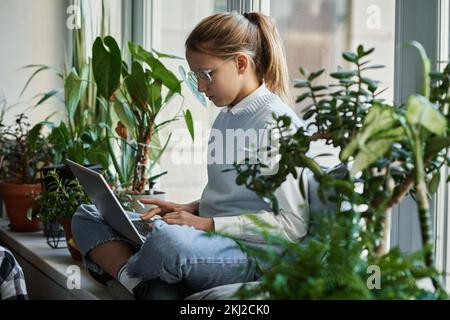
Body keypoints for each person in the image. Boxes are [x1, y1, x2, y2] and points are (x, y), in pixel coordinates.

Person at [72, 11, 309, 299]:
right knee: (87, 215)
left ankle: (129, 270)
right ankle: (141, 284)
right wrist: (190, 209)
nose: (200, 86)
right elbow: (237, 195)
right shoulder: (226, 116)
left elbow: (293, 225)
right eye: (195, 75)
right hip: (209, 238)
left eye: (206, 74)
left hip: (250, 255)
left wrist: (207, 224)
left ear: (241, 63)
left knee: (166, 242)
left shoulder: (276, 124)